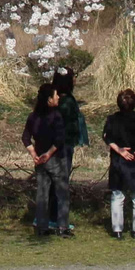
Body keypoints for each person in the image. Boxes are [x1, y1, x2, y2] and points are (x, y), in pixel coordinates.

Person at [102, 88, 135, 239]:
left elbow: (107, 137)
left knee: (117, 196)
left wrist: (120, 151)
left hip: (119, 162)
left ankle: (117, 230)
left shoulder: (112, 119)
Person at [23, 82, 71, 237]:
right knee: (61, 193)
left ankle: (42, 227)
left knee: (42, 194)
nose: (58, 97)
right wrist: (48, 154)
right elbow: (59, 139)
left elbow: (25, 137)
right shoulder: (56, 116)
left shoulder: (33, 117)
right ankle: (63, 227)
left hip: (40, 162)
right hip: (56, 159)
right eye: (55, 95)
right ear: (49, 100)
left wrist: (34, 154)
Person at [47, 66, 88, 231]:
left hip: (52, 146)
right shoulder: (66, 102)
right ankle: (59, 221)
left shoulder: (53, 99)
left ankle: (50, 218)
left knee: (51, 183)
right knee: (60, 183)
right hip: (62, 147)